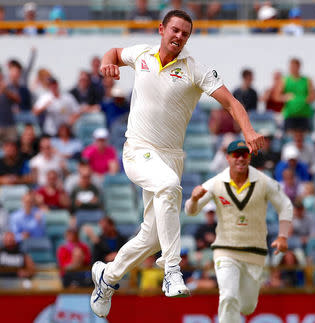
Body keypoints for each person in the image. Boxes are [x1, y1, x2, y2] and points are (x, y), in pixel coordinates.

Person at [90, 10, 266, 318]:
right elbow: (115, 53)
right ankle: (172, 269)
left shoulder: (196, 69)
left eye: (185, 33)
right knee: (170, 187)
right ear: (161, 29)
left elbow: (232, 102)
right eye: (175, 30)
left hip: (170, 156)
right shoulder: (142, 54)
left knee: (152, 235)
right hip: (138, 150)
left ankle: (107, 277)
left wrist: (248, 130)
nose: (179, 37)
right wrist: (107, 62)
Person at [184, 139, 292, 322]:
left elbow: (286, 206)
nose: (240, 159)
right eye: (236, 155)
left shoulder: (264, 182)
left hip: (254, 252)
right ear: (228, 158)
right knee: (227, 296)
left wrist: (282, 235)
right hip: (225, 249)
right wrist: (193, 200)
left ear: (249, 158)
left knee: (248, 306)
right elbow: (190, 211)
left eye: (244, 154)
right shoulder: (216, 182)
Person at [275, 58, 315, 132]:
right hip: (290, 115)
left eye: (294, 66)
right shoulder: (284, 80)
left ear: (299, 67)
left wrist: (304, 100)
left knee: (304, 137)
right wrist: (285, 97)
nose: (292, 68)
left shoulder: (307, 80)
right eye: (291, 66)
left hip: (304, 114)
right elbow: (276, 96)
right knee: (289, 137)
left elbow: (313, 96)